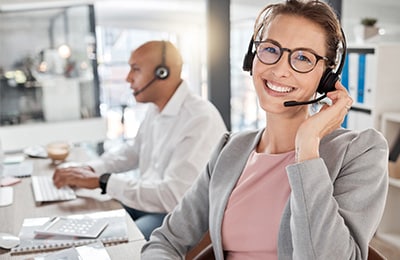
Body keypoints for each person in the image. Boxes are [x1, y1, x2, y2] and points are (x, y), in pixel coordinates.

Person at [141, 1, 389, 259]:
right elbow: (165, 240)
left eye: (303, 57)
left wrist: (307, 145)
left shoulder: (360, 152)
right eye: (270, 49)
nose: (280, 69)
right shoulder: (230, 149)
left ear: (326, 77)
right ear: (252, 58)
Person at [52, 40, 227, 240]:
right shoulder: (157, 109)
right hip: (151, 204)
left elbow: (174, 196)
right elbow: (133, 152)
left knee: (116, 245)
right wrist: (92, 170)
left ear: (163, 72)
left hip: (179, 216)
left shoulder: (199, 118)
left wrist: (103, 182)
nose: (128, 78)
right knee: (85, 221)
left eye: (135, 69)